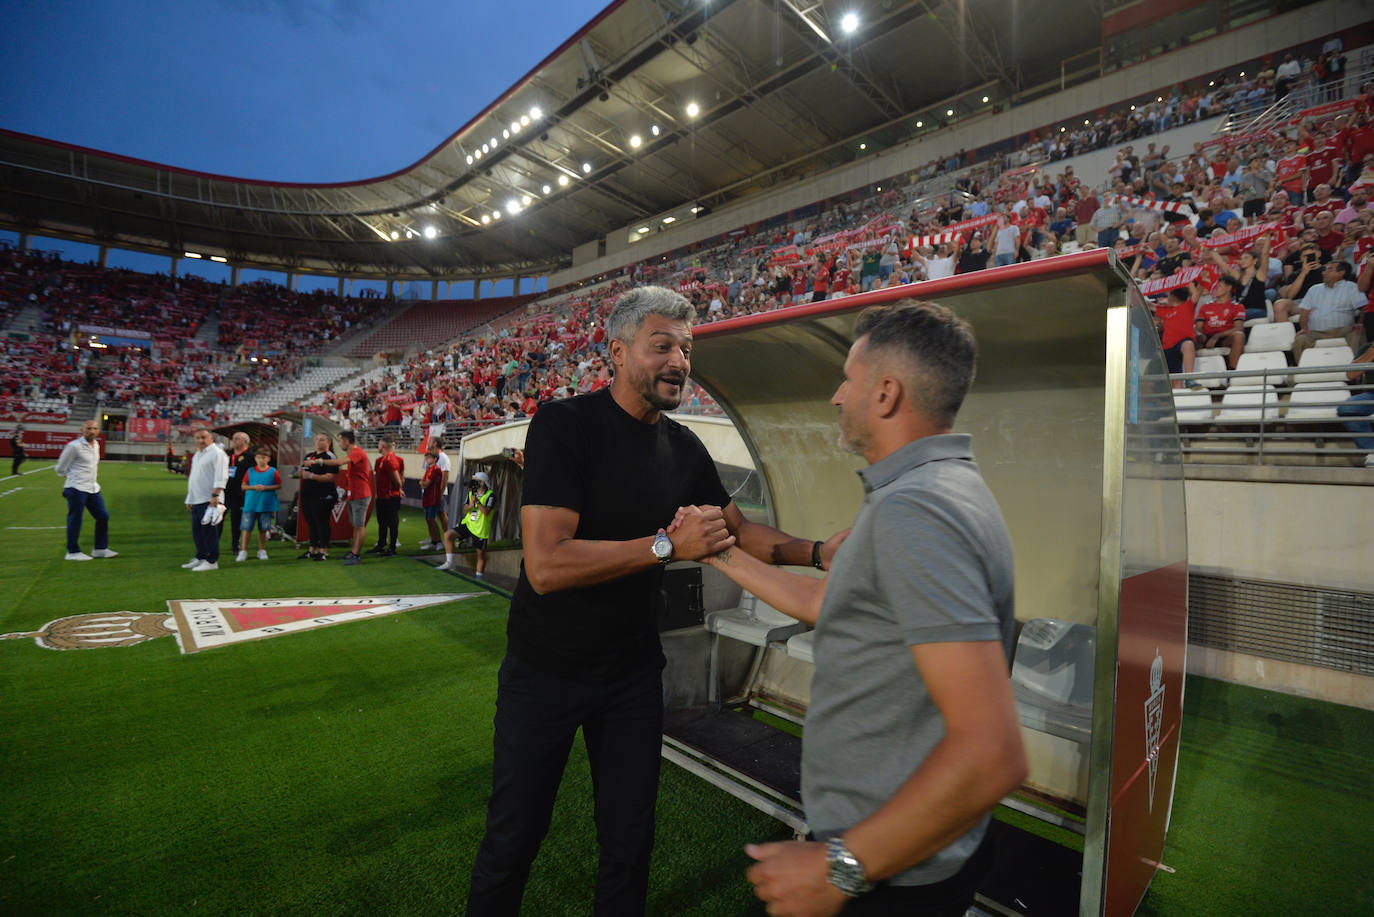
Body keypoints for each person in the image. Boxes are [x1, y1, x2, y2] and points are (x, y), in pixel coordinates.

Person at [465, 286, 837, 916]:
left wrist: (820, 551)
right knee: (514, 838)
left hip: (632, 675)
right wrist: (667, 546)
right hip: (545, 673)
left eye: (686, 350)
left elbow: (739, 533)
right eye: (662, 345)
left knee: (630, 843)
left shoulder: (684, 447)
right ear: (617, 352)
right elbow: (547, 565)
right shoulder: (564, 424)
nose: (679, 362)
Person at [694, 300, 1025, 916]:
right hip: (896, 850)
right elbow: (826, 602)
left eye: (848, 379)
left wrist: (842, 869)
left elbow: (992, 751)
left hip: (894, 869)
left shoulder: (918, 512)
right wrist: (720, 553)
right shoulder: (924, 490)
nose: (836, 397)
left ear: (887, 393)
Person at [54, 419, 116, 561]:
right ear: (82, 430)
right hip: (76, 488)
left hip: (93, 488)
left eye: (95, 428)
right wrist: (72, 479)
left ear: (98, 431)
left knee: (103, 516)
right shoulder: (74, 446)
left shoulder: (96, 445)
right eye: (88, 428)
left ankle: (100, 549)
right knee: (75, 519)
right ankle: (72, 552)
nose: (92, 431)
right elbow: (60, 468)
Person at [317, 429, 373, 565]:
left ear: (347, 441)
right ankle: (354, 552)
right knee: (356, 525)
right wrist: (347, 492)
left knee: (359, 526)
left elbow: (339, 462)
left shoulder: (357, 452)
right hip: (354, 494)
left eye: (340, 440)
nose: (339, 443)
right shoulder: (354, 453)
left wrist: (319, 461)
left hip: (361, 495)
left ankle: (356, 555)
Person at [183, 427, 229, 571]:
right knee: (198, 531)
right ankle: (201, 557)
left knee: (209, 532)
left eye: (204, 437)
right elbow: (194, 477)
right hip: (197, 499)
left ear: (211, 438)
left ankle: (211, 561)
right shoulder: (198, 454)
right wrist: (190, 498)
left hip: (209, 499)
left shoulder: (217, 453)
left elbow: (221, 476)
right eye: (198, 438)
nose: (201, 440)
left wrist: (215, 495)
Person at [438, 470, 493, 576]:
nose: (473, 484)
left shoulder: (490, 496)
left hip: (480, 529)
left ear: (482, 482)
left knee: (481, 554)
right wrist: (470, 506)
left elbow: (486, 512)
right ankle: (450, 562)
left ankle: (479, 577)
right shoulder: (471, 493)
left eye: (475, 481)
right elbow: (465, 510)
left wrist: (477, 502)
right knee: (448, 535)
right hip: (468, 524)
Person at [235, 446, 281, 562]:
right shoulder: (250, 471)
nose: (261, 460)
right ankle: (243, 551)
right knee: (246, 529)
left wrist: (266, 488)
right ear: (255, 458)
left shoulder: (273, 471)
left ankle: (262, 550)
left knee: (263, 529)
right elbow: (243, 486)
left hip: (265, 505)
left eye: (263, 458)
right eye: (259, 457)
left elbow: (279, 485)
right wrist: (254, 487)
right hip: (250, 504)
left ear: (268, 459)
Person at [298, 432, 337, 561]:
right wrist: (298, 473)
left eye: (322, 439)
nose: (318, 442)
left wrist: (311, 476)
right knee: (311, 522)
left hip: (323, 495)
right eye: (316, 439)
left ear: (328, 442)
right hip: (307, 494)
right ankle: (312, 549)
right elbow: (303, 470)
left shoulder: (330, 457)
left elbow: (331, 477)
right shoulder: (309, 456)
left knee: (322, 522)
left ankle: (324, 551)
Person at [1336, 342, 1374, 468]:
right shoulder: (1367, 348)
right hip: (1371, 394)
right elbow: (1351, 375)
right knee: (1347, 408)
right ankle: (1372, 451)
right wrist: (1371, 352)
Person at [369, 434, 404, 555]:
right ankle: (382, 544)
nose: (378, 446)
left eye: (379, 444)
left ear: (383, 446)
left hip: (390, 497)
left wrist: (398, 488)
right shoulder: (380, 460)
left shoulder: (390, 460)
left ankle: (392, 548)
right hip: (382, 496)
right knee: (382, 522)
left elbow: (399, 479)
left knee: (392, 523)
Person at [419, 442, 451, 550]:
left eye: (429, 458)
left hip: (433, 497)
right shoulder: (429, 469)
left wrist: (423, 483)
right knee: (429, 519)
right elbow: (423, 482)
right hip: (428, 497)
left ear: (435, 459)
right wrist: (423, 483)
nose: (427, 460)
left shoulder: (436, 469)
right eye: (426, 458)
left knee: (433, 519)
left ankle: (440, 541)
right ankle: (433, 541)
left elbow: (426, 483)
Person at [223, 431, 253, 545]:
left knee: (236, 520)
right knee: (218, 518)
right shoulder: (227, 454)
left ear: (245, 441)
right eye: (233, 438)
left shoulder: (250, 456)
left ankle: (235, 545)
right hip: (225, 490)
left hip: (240, 492)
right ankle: (213, 544)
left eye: (237, 439)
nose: (234, 441)